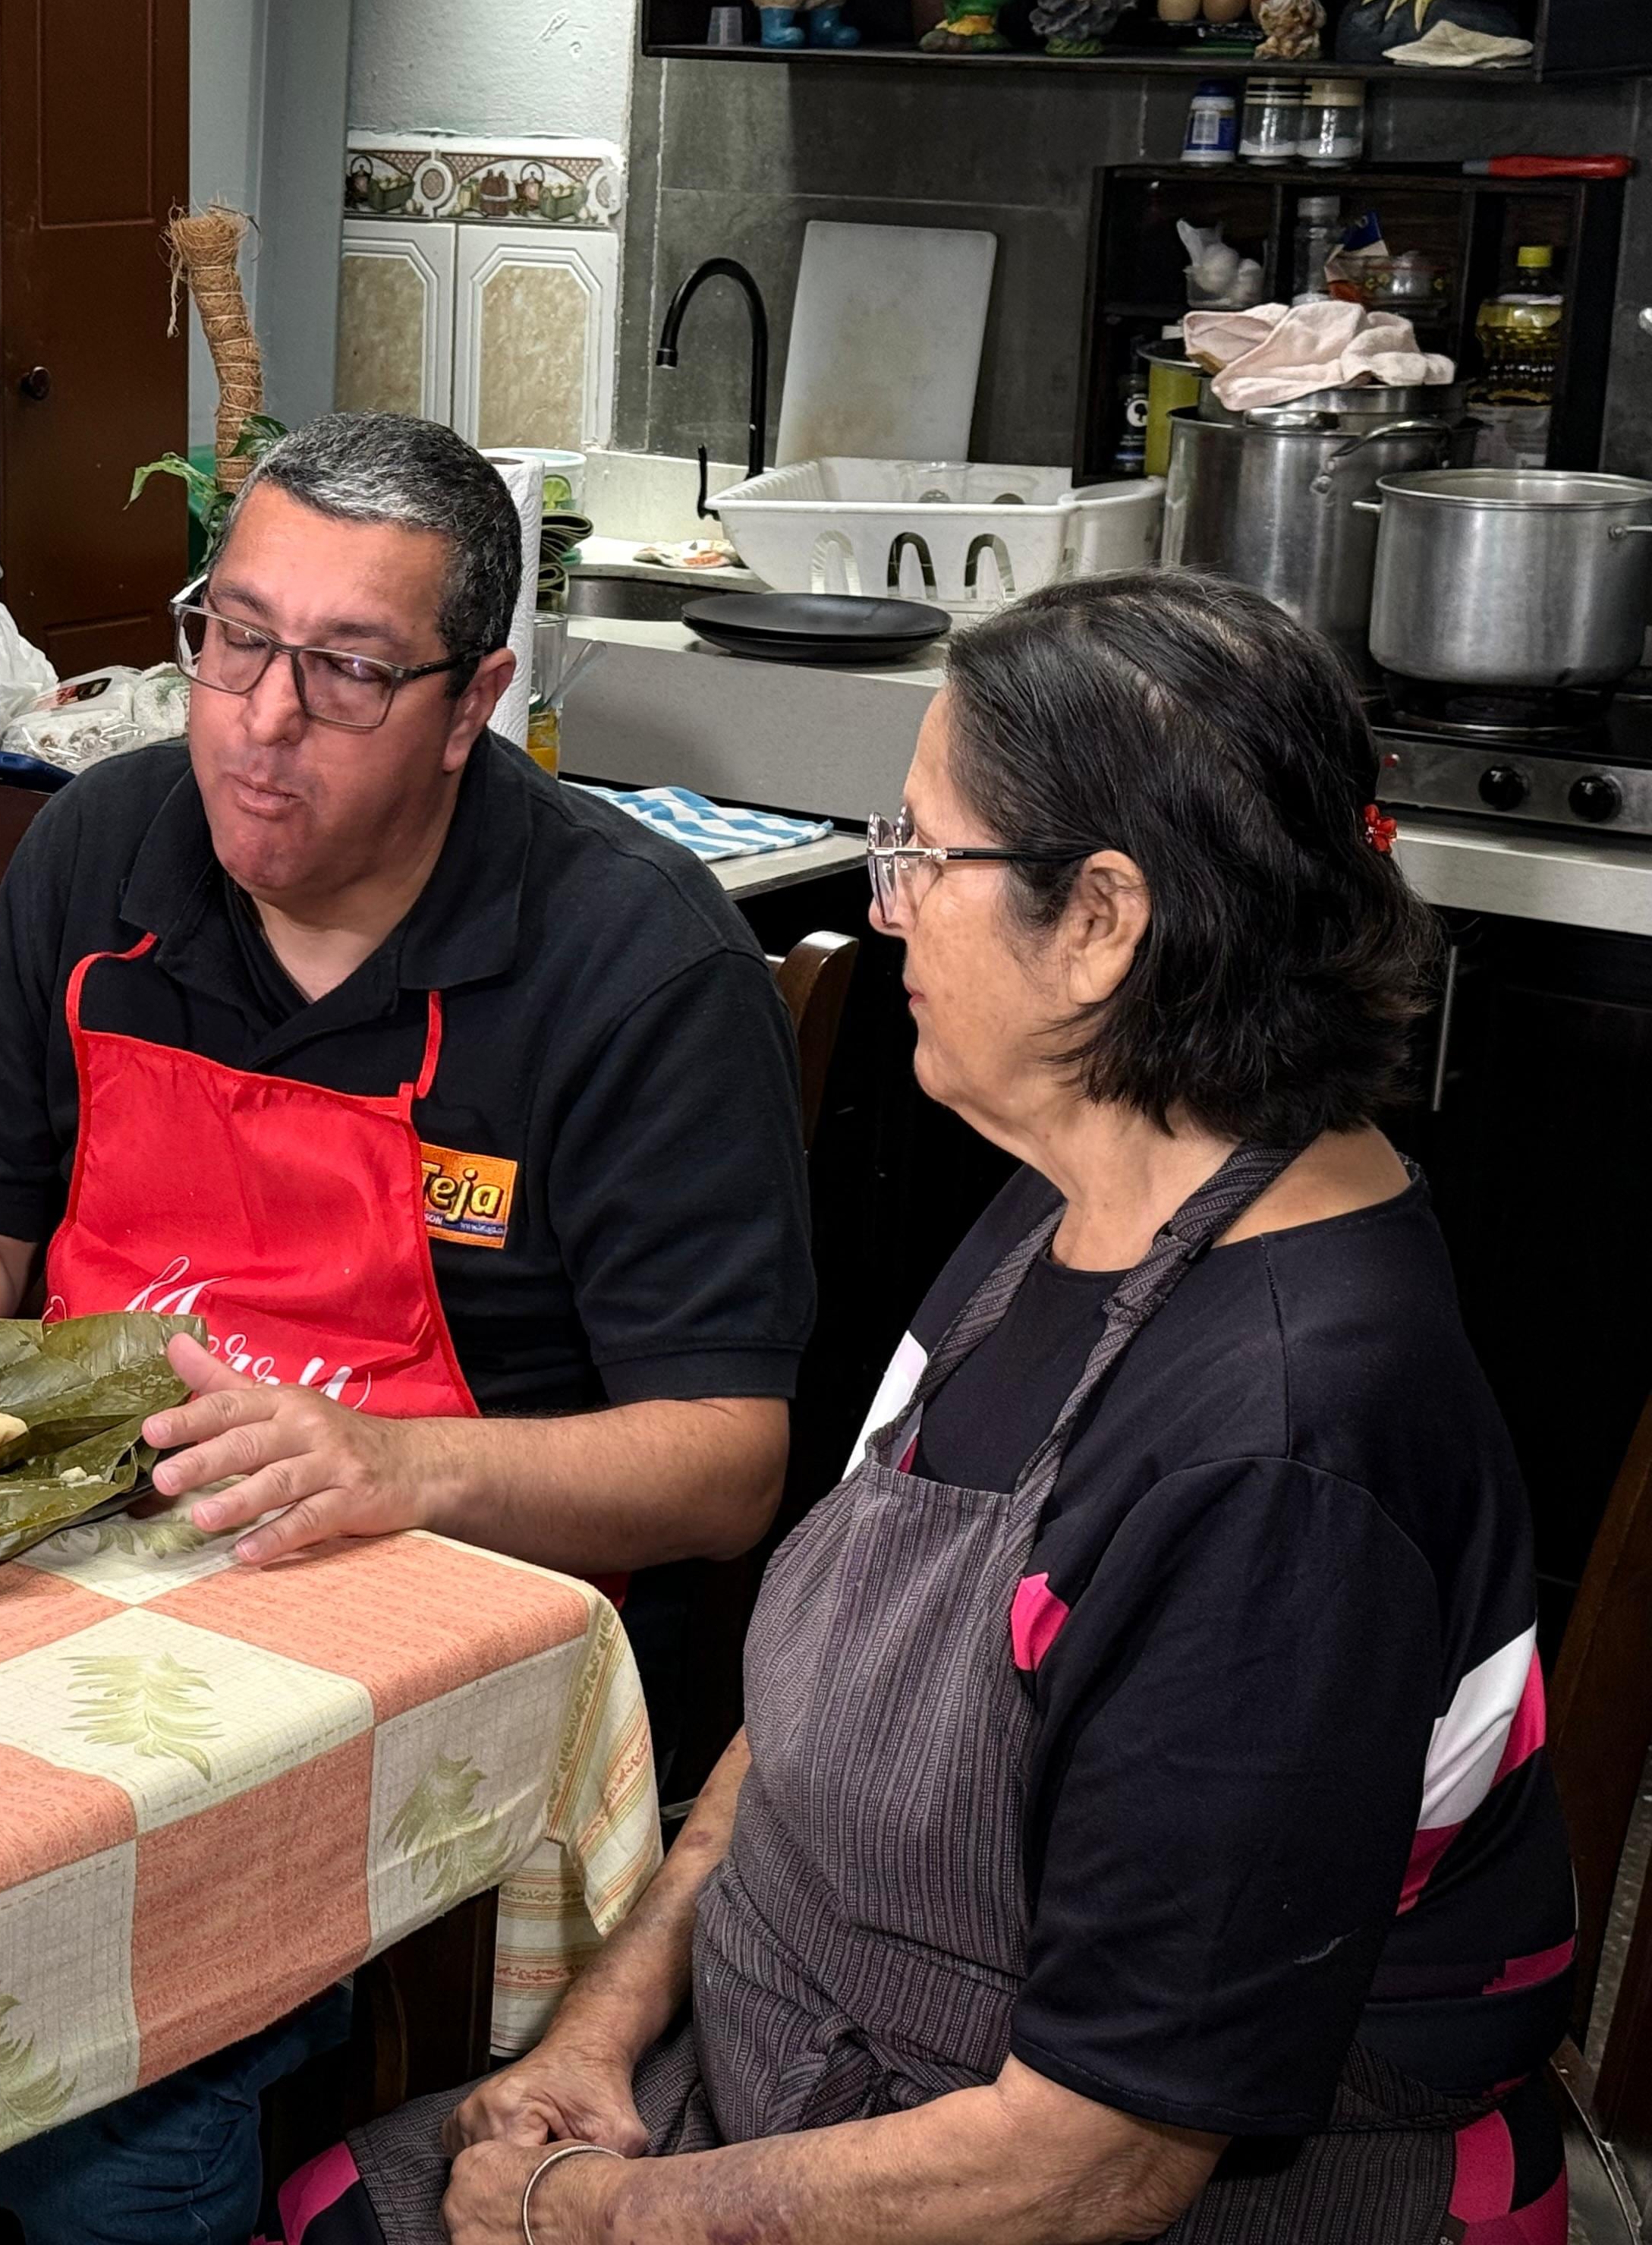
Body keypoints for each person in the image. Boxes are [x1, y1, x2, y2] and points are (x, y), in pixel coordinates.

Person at [284, 571, 1576, 2245]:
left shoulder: (1282, 1455)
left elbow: (1094, 2160)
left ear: (1102, 922)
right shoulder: (1078, 1191)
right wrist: (606, 2023)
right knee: (335, 2200)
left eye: (918, 855)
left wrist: (595, 2216)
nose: (886, 909)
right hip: (823, 2059)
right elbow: (831, 1713)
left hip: (1098, 2192)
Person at [0, 410, 817, 2244]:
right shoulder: (100, 853)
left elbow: (728, 1467)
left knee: (116, 2036)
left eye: (345, 671)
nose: (258, 717)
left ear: (474, 703)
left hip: (406, 1671)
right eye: (231, 639)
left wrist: (393, 1465)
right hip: (63, 1574)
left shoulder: (628, 966)